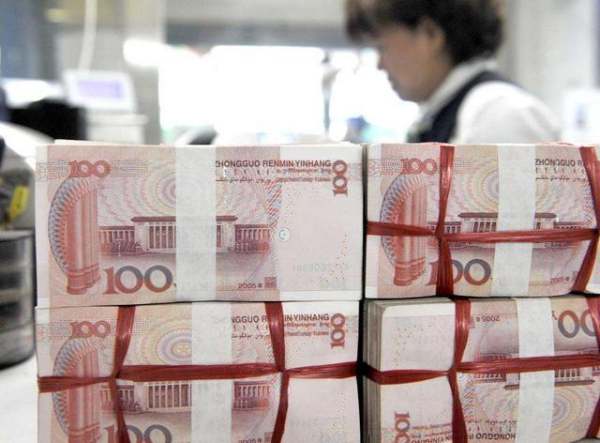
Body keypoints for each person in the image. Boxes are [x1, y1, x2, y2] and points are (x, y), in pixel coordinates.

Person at [345, 0, 560, 143]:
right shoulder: (444, 115)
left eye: (382, 47)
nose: (380, 65)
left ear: (430, 34)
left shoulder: (498, 114)